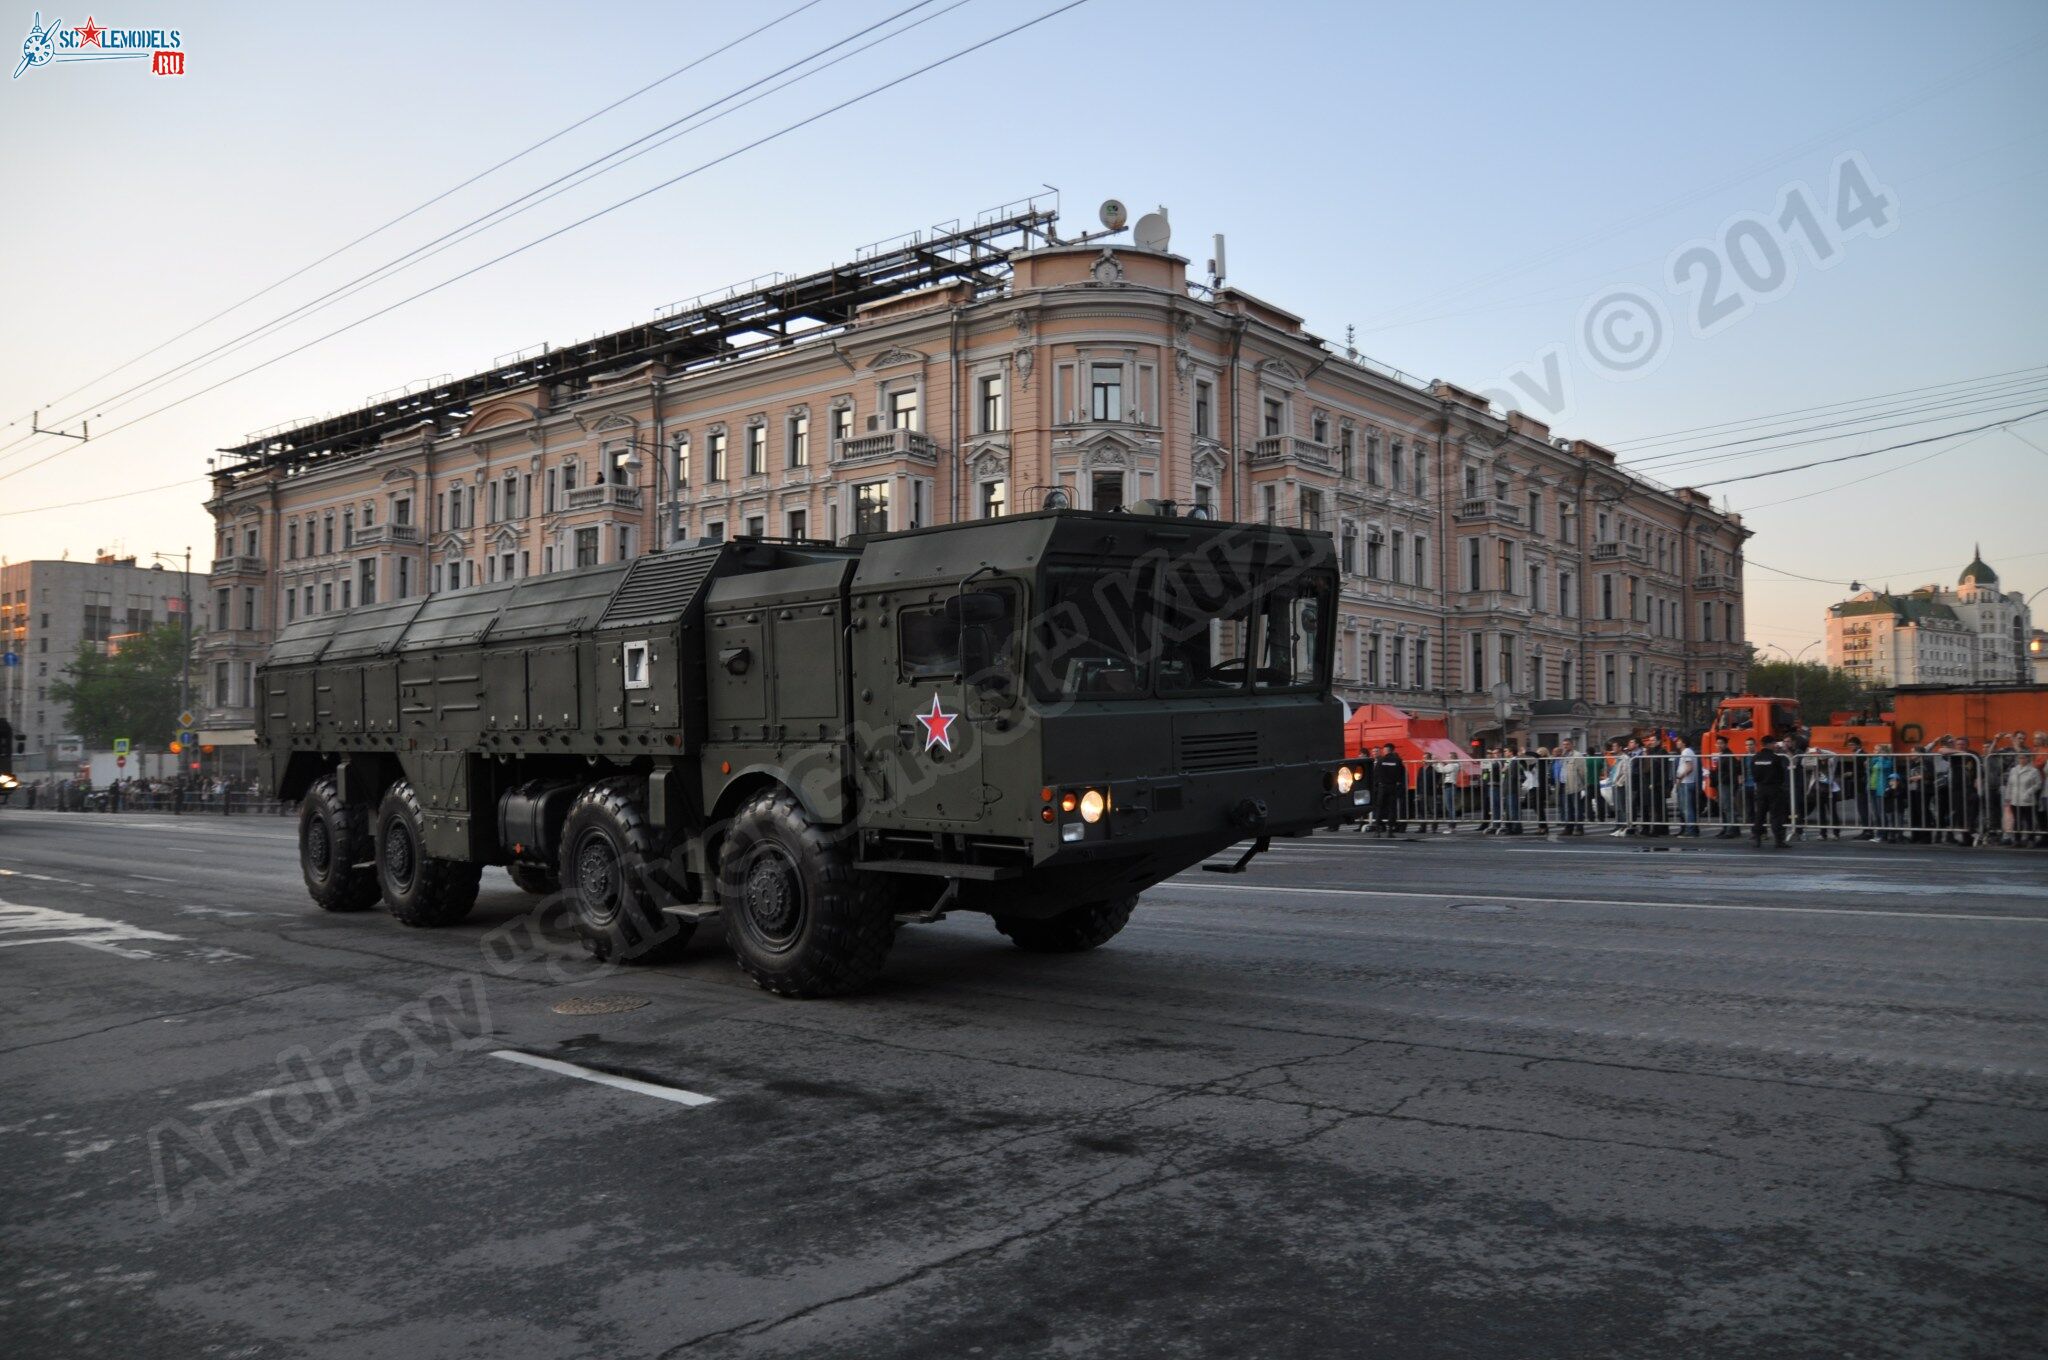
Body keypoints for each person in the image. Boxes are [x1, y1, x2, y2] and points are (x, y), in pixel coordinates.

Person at [1750, 736, 1792, 848]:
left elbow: (1754, 775)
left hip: (1761, 789)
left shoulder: (1755, 758)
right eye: (1774, 743)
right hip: (1774, 789)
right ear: (1769, 744)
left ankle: (1757, 839)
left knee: (1760, 814)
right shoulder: (1775, 758)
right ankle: (1779, 840)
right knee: (1776, 815)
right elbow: (1781, 775)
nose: (1775, 745)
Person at [1370, 743, 1407, 838]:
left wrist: (1375, 787)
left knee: (1379, 808)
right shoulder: (1397, 761)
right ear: (1393, 750)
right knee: (1392, 809)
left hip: (1382, 787)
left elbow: (1376, 775)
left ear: (1386, 750)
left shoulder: (1381, 760)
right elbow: (1402, 774)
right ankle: (1390, 831)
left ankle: (1377, 831)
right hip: (1392, 787)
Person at [1674, 734, 1701, 837]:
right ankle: (1690, 829)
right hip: (1686, 782)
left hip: (1686, 782)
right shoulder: (1688, 751)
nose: (1677, 743)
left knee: (1687, 809)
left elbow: (1689, 767)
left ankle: (1691, 830)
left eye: (1679, 741)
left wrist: (1679, 777)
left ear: (1684, 743)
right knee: (1686, 808)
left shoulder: (1686, 752)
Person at [1559, 739, 1587, 835]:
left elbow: (1583, 771)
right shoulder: (1563, 756)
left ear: (1572, 745)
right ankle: (1569, 828)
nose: (1565, 746)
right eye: (1564, 744)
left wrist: (1583, 784)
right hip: (1564, 784)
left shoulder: (1577, 755)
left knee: (1577, 808)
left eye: (1567, 744)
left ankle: (1579, 828)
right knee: (1568, 808)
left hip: (1574, 784)